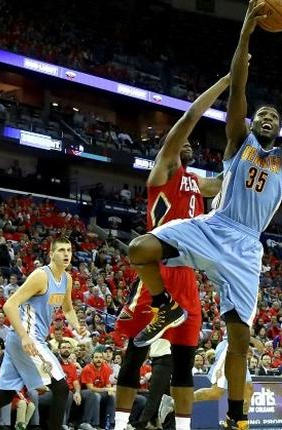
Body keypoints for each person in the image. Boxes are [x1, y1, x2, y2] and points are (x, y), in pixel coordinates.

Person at [127, 2, 282, 427]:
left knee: (240, 338)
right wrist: (245, 35)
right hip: (215, 226)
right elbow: (239, 94)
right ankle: (163, 306)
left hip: (247, 246)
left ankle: (237, 418)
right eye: (261, 115)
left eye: (272, 117)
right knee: (140, 248)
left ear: (277, 129)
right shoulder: (236, 143)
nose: (266, 118)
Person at [115, 74, 229, 430]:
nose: (189, 144)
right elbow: (188, 119)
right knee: (134, 354)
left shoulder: (196, 182)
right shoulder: (162, 171)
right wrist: (226, 82)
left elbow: (227, 180)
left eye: (192, 145)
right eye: (183, 143)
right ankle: (118, 426)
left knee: (184, 363)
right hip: (158, 269)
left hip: (187, 276)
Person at [0, 237, 88, 430]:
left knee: (4, 395)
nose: (66, 254)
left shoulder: (67, 279)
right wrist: (24, 336)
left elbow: (68, 309)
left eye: (69, 250)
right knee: (61, 388)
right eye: (61, 250)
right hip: (27, 339)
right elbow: (9, 304)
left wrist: (77, 326)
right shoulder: (41, 276)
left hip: (26, 340)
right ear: (51, 254)